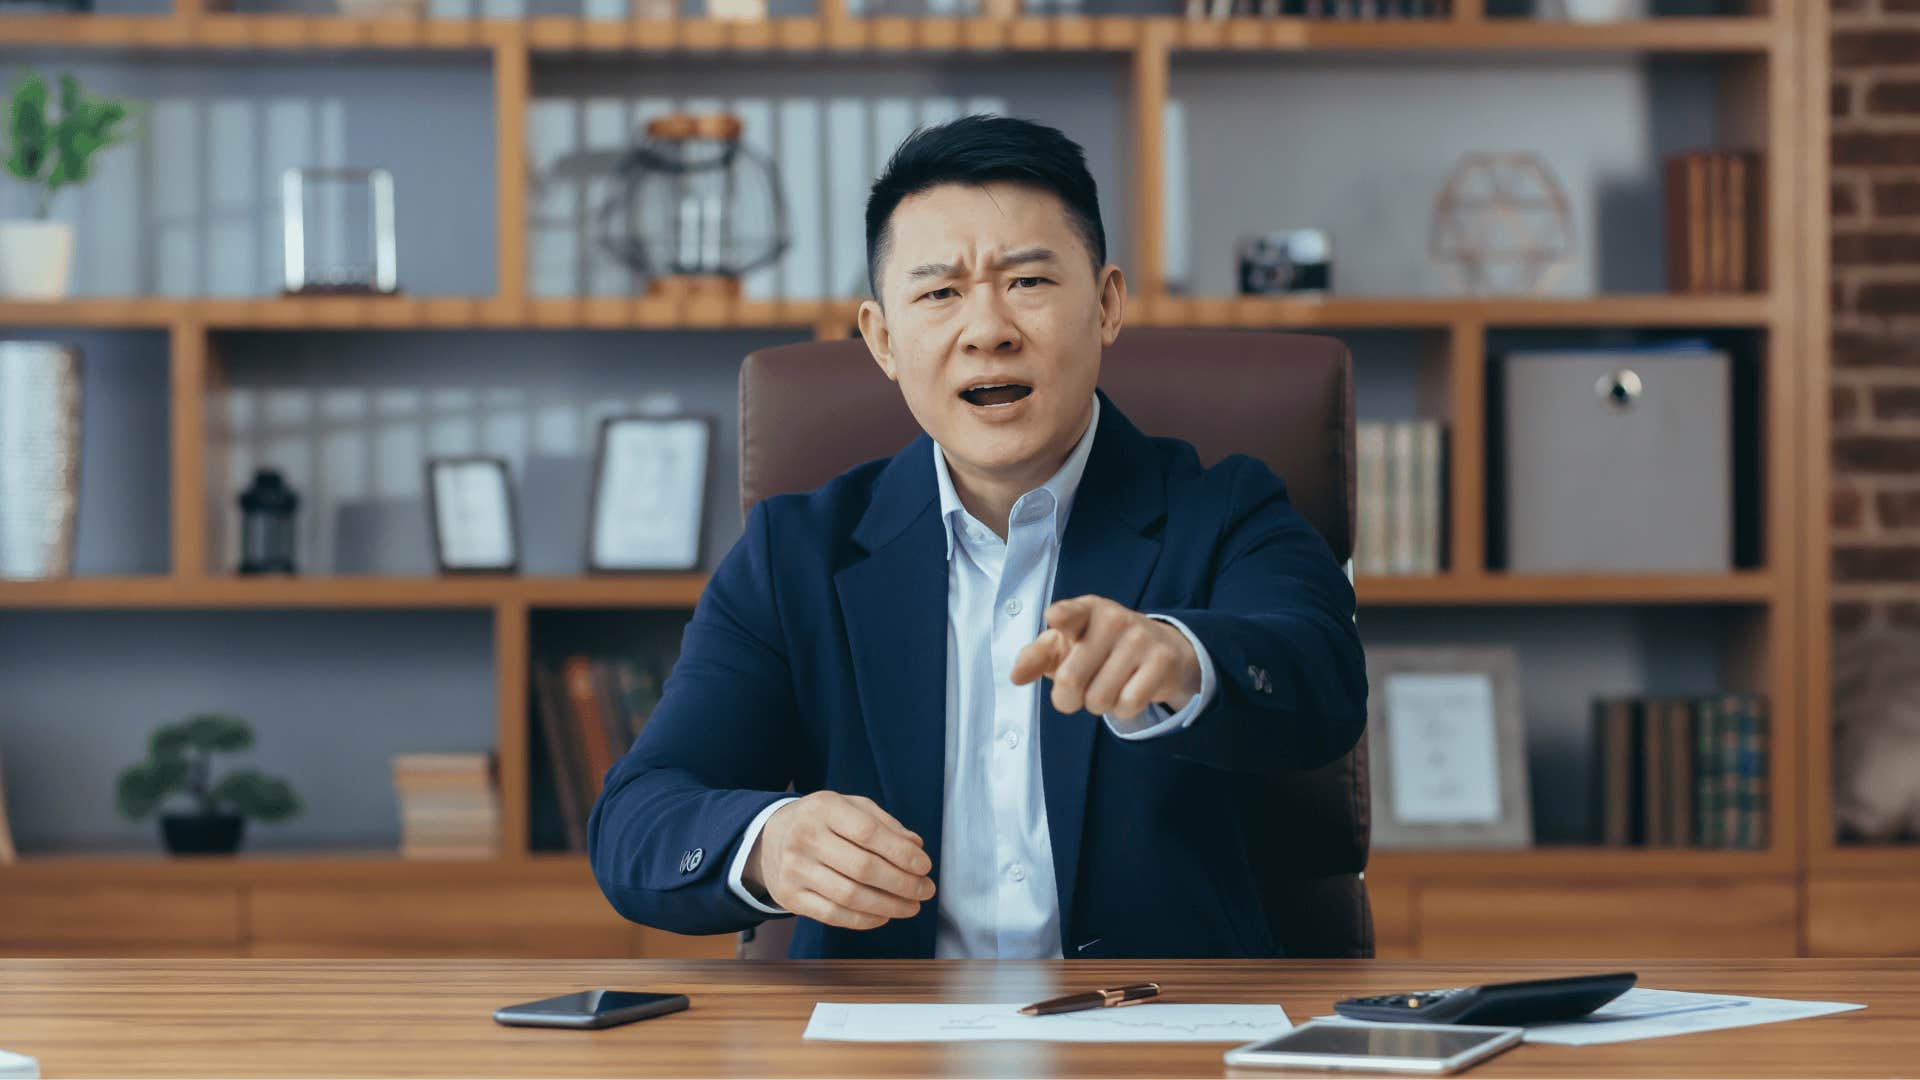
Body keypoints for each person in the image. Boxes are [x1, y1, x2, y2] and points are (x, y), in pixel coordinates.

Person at [588, 114, 1366, 960]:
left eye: (1027, 283)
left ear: (1107, 305)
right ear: (882, 340)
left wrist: (1181, 658)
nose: (986, 328)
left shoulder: (1227, 513)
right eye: (938, 293)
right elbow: (639, 818)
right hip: (888, 1046)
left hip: (1149, 1035)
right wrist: (771, 842)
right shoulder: (795, 556)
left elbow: (1321, 679)